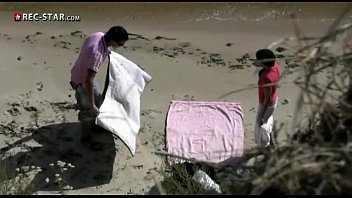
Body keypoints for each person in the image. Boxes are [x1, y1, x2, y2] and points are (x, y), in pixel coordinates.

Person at [70, 26, 129, 150]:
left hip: (78, 72)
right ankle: (85, 138)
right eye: (120, 44)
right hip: (82, 82)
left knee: (99, 101)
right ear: (113, 40)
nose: (120, 46)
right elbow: (89, 80)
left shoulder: (97, 35)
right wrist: (92, 105)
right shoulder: (97, 54)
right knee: (88, 112)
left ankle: (96, 123)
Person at [253, 49, 281, 153]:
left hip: (267, 104)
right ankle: (272, 143)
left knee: (262, 125)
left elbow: (267, 97)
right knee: (268, 122)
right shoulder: (275, 66)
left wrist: (262, 113)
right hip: (274, 100)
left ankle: (267, 149)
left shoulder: (267, 78)